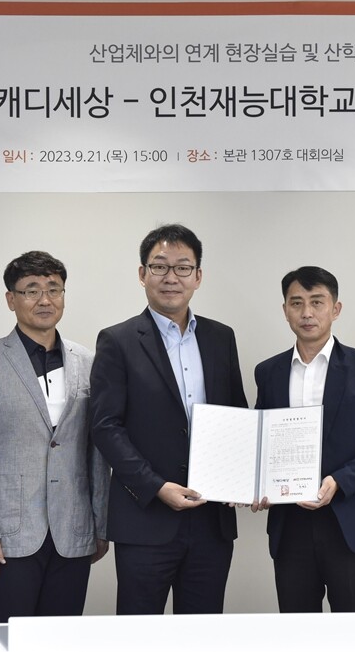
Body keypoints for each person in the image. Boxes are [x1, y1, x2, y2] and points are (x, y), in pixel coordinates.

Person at [90, 223, 247, 614]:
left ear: (198, 276)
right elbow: (106, 427)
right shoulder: (118, 340)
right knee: (140, 634)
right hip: (146, 519)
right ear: (142, 274)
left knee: (203, 632)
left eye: (182, 267)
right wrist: (157, 487)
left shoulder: (221, 337)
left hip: (211, 519)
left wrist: (243, 479)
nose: (171, 277)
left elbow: (237, 416)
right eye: (159, 267)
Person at [0, 251, 109, 623]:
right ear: (11, 299)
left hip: (73, 530)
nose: (45, 299)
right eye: (32, 290)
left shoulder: (87, 362)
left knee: (62, 640)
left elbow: (97, 453)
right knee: (11, 639)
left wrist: (100, 524)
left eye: (54, 289)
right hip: (10, 535)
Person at [252, 266, 355, 612]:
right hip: (289, 525)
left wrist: (340, 481)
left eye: (317, 302)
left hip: (349, 521)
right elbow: (262, 438)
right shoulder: (269, 372)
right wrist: (256, 483)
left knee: (352, 629)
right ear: (285, 310)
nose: (307, 313)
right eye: (297, 303)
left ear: (335, 309)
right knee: (297, 627)